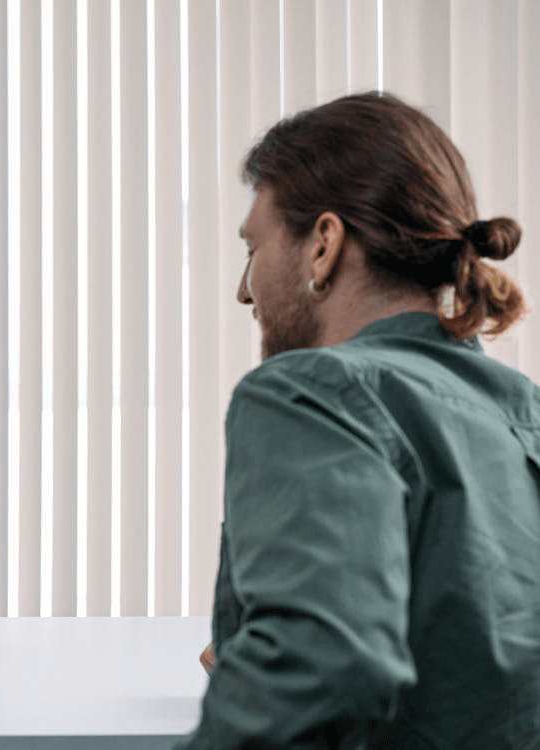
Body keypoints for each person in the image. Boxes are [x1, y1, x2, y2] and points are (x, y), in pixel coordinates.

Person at [176, 92, 540, 747]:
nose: (242, 289)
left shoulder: (312, 390)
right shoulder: (520, 408)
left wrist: (280, 663)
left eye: (252, 249)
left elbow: (324, 665)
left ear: (322, 244)